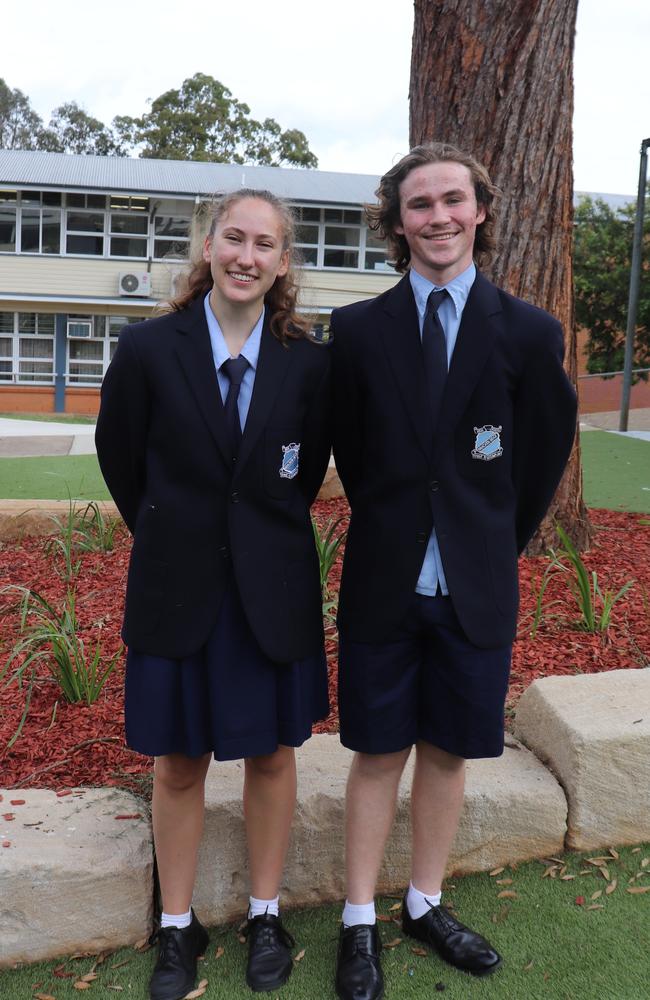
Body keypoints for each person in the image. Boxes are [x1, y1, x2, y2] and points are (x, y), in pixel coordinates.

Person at [330, 142, 577, 999]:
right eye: (419, 204)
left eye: (452, 201)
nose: (437, 217)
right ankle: (359, 917)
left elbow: (539, 459)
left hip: (476, 586)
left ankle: (423, 903)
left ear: (480, 211)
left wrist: (480, 542)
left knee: (446, 753)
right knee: (375, 752)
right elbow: (359, 458)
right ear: (397, 223)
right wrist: (408, 523)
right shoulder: (358, 332)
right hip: (384, 582)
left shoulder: (529, 332)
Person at [95, 188, 331, 1000]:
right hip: (176, 588)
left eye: (265, 244)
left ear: (283, 261)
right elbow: (124, 466)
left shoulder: (308, 361)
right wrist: (181, 534)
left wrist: (249, 542)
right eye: (234, 237)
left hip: (273, 591)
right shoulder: (149, 350)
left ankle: (266, 913)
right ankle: (176, 925)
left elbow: (297, 480)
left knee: (271, 754)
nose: (246, 256)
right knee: (180, 763)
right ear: (209, 246)